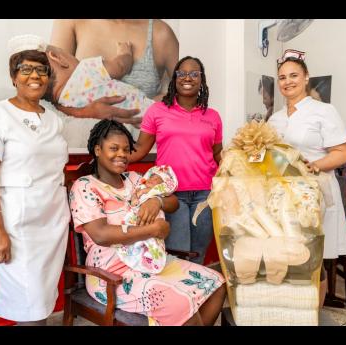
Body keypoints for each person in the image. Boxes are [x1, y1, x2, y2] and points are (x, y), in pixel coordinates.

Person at [69, 119, 226, 326]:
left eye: (126, 149)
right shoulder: (85, 186)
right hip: (110, 275)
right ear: (98, 150)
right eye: (113, 148)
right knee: (182, 307)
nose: (122, 155)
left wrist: (156, 200)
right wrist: (153, 230)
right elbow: (101, 234)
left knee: (217, 284)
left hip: (150, 262)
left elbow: (173, 203)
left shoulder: (135, 179)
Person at [0, 35, 70, 325]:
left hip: (52, 225)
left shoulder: (54, 120)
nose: (35, 76)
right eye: (26, 69)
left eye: (41, 70)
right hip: (16, 226)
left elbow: (56, 170)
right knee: (28, 307)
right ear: (13, 77)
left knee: (44, 302)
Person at [268, 49, 346, 308]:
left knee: (313, 258)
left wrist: (313, 166)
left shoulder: (323, 111)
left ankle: (311, 315)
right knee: (287, 254)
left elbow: (342, 153)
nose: (287, 81)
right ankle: (291, 311)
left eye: (294, 75)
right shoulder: (275, 118)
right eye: (282, 77)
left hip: (315, 192)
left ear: (306, 78)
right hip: (282, 195)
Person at [128, 56, 223, 265]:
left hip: (206, 196)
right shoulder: (157, 110)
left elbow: (218, 154)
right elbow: (140, 149)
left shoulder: (213, 116)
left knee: (197, 256)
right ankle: (179, 297)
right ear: (175, 79)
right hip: (171, 195)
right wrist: (111, 158)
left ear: (201, 80)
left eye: (194, 74)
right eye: (182, 73)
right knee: (177, 256)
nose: (187, 78)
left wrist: (239, 164)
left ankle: (195, 297)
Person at [42, 41, 155, 145]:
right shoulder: (86, 68)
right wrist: (125, 53)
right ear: (57, 58)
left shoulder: (63, 107)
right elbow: (120, 67)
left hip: (135, 133)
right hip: (146, 110)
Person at [50, 19, 178, 101]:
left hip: (139, 137)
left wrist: (159, 103)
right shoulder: (70, 22)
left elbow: (188, 95)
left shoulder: (161, 34)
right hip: (82, 137)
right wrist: (87, 112)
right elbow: (52, 92)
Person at [115, 165, 178, 274]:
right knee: (141, 230)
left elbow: (175, 202)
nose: (153, 180)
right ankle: (138, 250)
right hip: (138, 223)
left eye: (157, 180)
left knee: (152, 239)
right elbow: (134, 198)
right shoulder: (140, 185)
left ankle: (150, 254)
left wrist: (157, 200)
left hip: (154, 219)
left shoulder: (147, 186)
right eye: (152, 177)